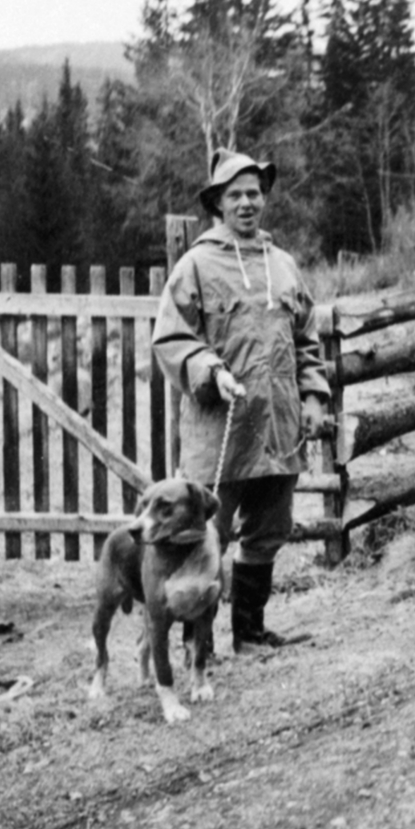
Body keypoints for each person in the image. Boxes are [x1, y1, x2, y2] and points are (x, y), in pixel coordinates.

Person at [152, 148, 332, 651]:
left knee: (269, 530)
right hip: (220, 431)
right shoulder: (195, 266)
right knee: (205, 536)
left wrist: (314, 397)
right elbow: (171, 340)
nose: (247, 203)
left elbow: (306, 341)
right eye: (236, 195)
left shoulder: (284, 265)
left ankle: (249, 633)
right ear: (218, 203)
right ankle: (196, 644)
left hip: (277, 426)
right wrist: (209, 370)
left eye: (254, 193)